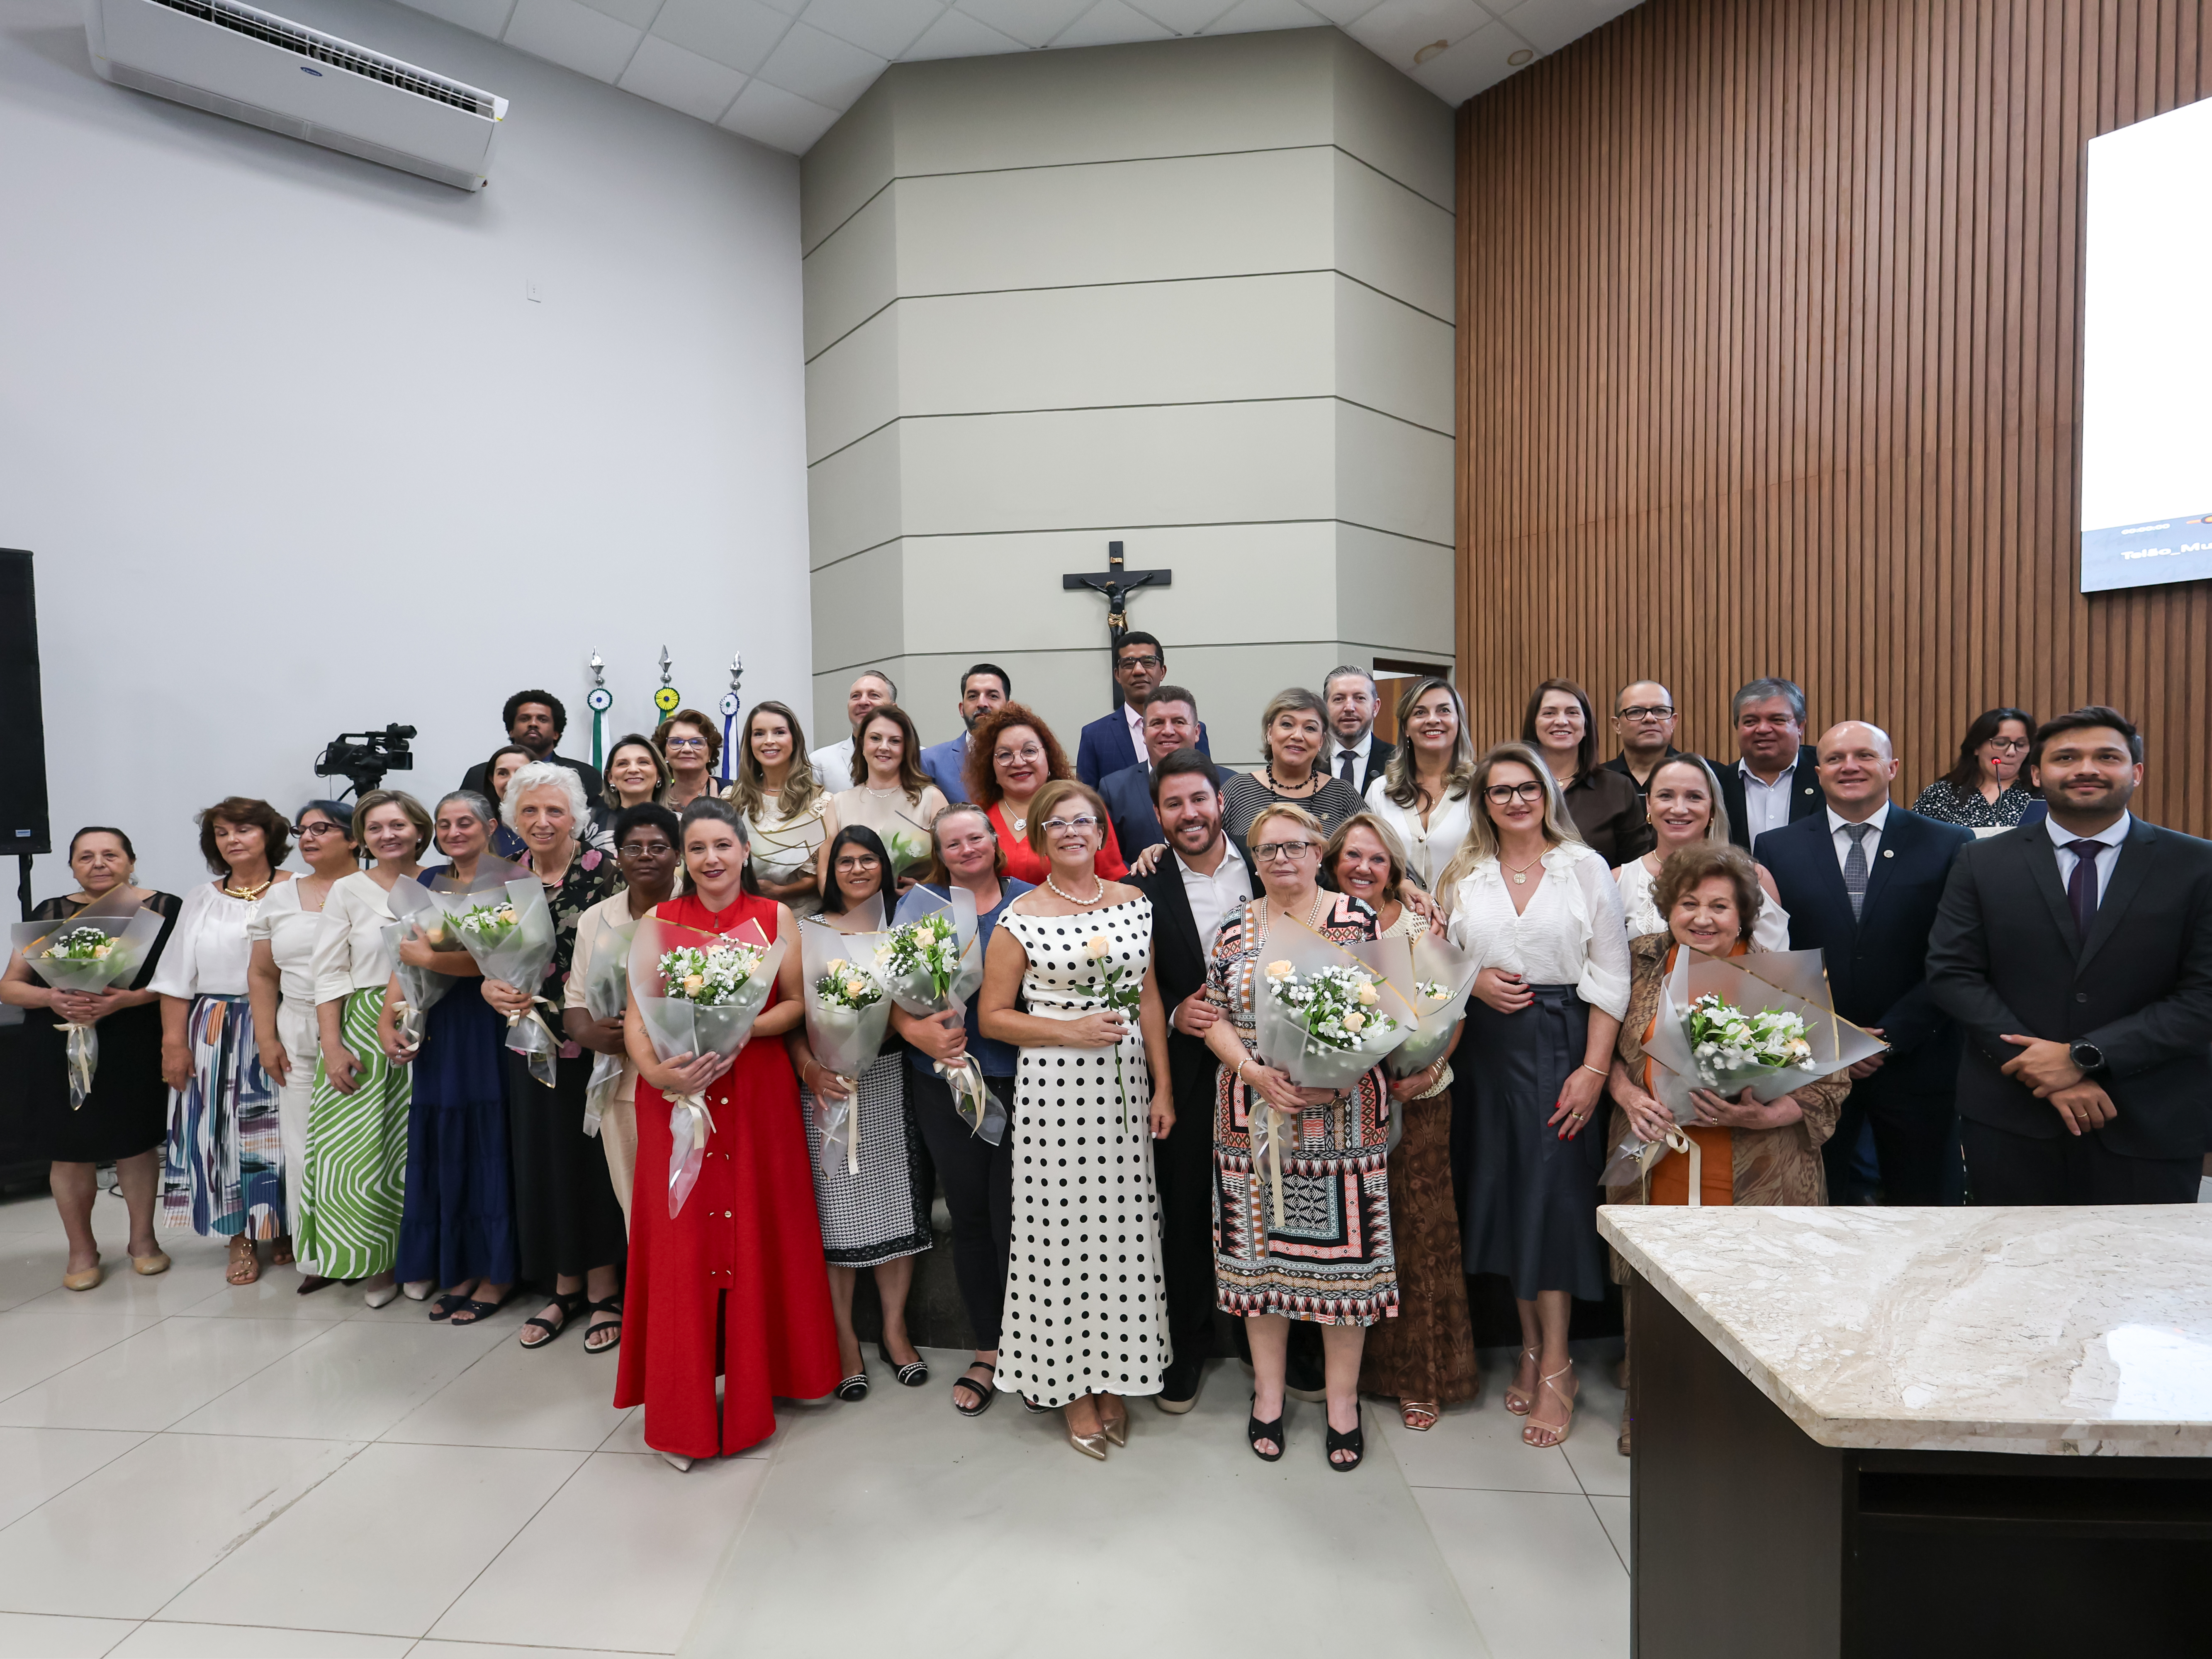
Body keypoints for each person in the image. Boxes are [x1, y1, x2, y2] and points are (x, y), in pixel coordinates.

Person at [1602, 843, 1852, 1453]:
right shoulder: (1640, 963)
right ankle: (1653, 1413)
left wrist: (1771, 1113)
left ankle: (1750, 1423)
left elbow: (1832, 1077)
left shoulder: (1780, 976)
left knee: (1754, 1293)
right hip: (1655, 1156)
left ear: (1744, 914)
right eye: (1689, 904)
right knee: (1655, 1290)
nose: (1703, 918)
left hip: (1758, 1165)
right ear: (1668, 908)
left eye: (1720, 906)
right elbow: (1603, 1050)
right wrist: (1626, 1095)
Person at [618, 797, 840, 1469]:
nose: (710, 859)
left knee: (756, 1228)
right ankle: (682, 1410)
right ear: (685, 859)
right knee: (683, 1242)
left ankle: (764, 1380)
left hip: (756, 1092)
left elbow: (797, 1003)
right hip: (679, 1096)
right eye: (697, 849)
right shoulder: (658, 919)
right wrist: (658, 1074)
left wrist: (739, 1027)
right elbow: (634, 1014)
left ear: (744, 851)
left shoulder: (774, 918)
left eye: (722, 846)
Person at [1928, 707, 2212, 1204]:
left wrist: (2085, 1057)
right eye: (2065, 757)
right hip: (2011, 1120)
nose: (2085, 768)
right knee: (2008, 1274)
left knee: (2139, 1277)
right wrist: (2043, 1070)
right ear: (2036, 775)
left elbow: (2202, 995)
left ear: (2135, 772)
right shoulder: (1980, 860)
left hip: (2148, 1117)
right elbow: (1953, 975)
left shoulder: (2197, 864)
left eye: (2106, 756)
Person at [1440, 744, 1630, 1451]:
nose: (1514, 801)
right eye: (1499, 792)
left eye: (1526, 789)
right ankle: (1524, 1348)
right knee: (1507, 1198)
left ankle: (1557, 1364)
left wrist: (1591, 1068)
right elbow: (1442, 961)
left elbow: (1610, 975)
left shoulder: (1581, 868)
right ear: (1483, 802)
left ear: (1545, 794)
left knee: (1551, 1203)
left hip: (1560, 1045)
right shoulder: (1465, 872)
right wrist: (1472, 979)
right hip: (1487, 1053)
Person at [979, 780, 1175, 1457]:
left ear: (1099, 833)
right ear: (1038, 835)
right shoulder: (1019, 917)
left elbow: (1149, 997)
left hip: (1123, 1098)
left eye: (1082, 822)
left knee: (1121, 1237)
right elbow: (992, 1017)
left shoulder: (1134, 903)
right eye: (1056, 823)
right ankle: (1068, 1387)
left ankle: (1115, 1371)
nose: (1070, 832)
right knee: (1058, 1240)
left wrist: (1163, 1088)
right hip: (1054, 1096)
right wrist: (1068, 1031)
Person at [1200, 801, 1392, 1471]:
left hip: (1340, 1119)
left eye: (1293, 846)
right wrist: (1252, 1069)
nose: (1280, 859)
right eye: (1266, 850)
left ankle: (1341, 1404)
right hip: (1251, 1118)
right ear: (1252, 863)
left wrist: (1340, 1075)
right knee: (1258, 1268)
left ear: (1318, 852)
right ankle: (1268, 1396)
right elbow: (1212, 1017)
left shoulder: (1355, 918)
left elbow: (1384, 1008)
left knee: (1343, 1273)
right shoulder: (1232, 927)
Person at [1756, 721, 1973, 1206]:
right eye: (1834, 758)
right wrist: (1830, 1038)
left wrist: (1891, 1035)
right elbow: (1773, 957)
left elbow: (1956, 953)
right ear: (1817, 771)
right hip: (1812, 1061)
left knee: (1924, 1207)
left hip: (1919, 1057)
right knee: (1821, 1204)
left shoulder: (1948, 843)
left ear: (1891, 767)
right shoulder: (1776, 849)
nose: (1849, 766)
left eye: (1864, 756)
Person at [1328, 813, 1476, 1435]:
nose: (1363, 869)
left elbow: (1452, 1009)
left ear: (1395, 869)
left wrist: (1427, 1067)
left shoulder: (1417, 924)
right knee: (1353, 1242)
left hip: (1414, 1098)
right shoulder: (1316, 923)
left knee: (1418, 1233)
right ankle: (1350, 1378)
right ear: (1333, 863)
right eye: (1352, 858)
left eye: (1376, 859)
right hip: (1336, 1106)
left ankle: (1423, 1377)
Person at [1127, 748, 1254, 1413]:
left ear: (1220, 802)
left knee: (1276, 1204)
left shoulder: (1265, 866)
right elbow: (1131, 983)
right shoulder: (1141, 885)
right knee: (1184, 1208)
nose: (1188, 814)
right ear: (1157, 815)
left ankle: (1299, 1351)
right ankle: (1187, 1346)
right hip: (1186, 1064)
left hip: (1272, 1066)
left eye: (1198, 800)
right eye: (1173, 804)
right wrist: (1177, 1010)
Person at [482, 763, 624, 1352]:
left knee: (591, 1161)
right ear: (516, 819)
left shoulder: (604, 873)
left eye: (555, 811)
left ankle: (604, 1289)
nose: (542, 822)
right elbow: (488, 961)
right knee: (542, 1160)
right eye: (531, 812)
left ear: (576, 818)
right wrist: (491, 988)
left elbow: (624, 954)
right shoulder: (503, 880)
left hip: (591, 1041)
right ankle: (562, 1285)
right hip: (527, 1042)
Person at [789, 825, 933, 1400]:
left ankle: (895, 1331)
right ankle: (844, 1338)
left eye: (866, 859)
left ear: (883, 866)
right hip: (826, 1087)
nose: (855, 869)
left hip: (890, 1081)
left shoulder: (906, 931)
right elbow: (793, 1017)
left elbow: (926, 1000)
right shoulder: (808, 932)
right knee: (836, 1215)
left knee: (896, 1206)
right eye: (844, 861)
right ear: (830, 872)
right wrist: (811, 1072)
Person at [897, 806, 1033, 1416]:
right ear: (940, 852)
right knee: (973, 1218)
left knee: (1022, 1222)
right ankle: (989, 1347)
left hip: (1024, 1083)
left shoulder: (1031, 901)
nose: (967, 849)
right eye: (952, 843)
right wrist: (917, 1033)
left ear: (994, 840)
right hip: (944, 1085)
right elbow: (888, 995)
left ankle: (1034, 1348)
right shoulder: (919, 906)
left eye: (976, 836)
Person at [1, 829, 180, 1291]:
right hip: (57, 1038)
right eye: (86, 856)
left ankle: (143, 1240)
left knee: (135, 1140)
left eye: (109, 854)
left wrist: (127, 1001)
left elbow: (184, 980)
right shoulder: (51, 911)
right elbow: (10, 985)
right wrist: (52, 996)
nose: (98, 863)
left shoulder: (165, 907)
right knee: (68, 1146)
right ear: (73, 866)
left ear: (131, 860)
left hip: (132, 1036)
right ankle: (82, 1249)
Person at [383, 791, 518, 1324]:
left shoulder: (510, 880)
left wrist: (433, 957)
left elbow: (504, 963)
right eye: (445, 824)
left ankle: (498, 1271)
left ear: (490, 826)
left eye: (466, 822)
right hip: (439, 1022)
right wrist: (389, 1015)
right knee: (445, 1143)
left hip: (491, 1020)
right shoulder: (427, 884)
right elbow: (405, 952)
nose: (455, 831)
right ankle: (457, 1263)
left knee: (491, 1143)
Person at [152, 798, 297, 1284]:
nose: (232, 839)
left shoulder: (297, 889)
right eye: (221, 832)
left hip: (282, 1023)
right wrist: (174, 1044)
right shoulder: (200, 898)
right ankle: (241, 1235)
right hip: (214, 1027)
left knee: (281, 1130)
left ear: (269, 835)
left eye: (244, 829)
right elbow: (175, 979)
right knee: (220, 1136)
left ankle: (285, 1224)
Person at [305, 788, 431, 1306]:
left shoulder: (443, 882)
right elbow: (329, 972)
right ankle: (376, 1265)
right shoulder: (347, 890)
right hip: (363, 1024)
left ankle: (422, 1258)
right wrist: (332, 1046)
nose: (388, 835)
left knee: (422, 1148)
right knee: (364, 1153)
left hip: (433, 1015)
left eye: (398, 824)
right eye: (376, 827)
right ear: (362, 838)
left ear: (419, 828)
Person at [246, 800, 357, 1292]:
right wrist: (266, 1037)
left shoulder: (376, 890)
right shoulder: (280, 895)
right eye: (301, 830)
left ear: (355, 838)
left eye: (322, 828)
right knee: (303, 1145)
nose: (308, 837)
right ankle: (319, 1255)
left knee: (361, 1147)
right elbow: (262, 972)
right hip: (294, 1027)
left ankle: (373, 1250)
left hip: (361, 1027)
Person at [565, 802, 681, 1228]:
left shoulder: (699, 911)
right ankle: (652, 1293)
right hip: (620, 1080)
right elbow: (575, 1000)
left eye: (658, 846)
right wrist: (589, 1032)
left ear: (678, 854)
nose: (646, 855)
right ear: (617, 858)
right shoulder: (597, 919)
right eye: (633, 847)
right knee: (637, 1202)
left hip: (686, 1075)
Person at [1615, 754, 1791, 949]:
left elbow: (1774, 966)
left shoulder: (1755, 877)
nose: (1679, 809)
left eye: (1694, 797)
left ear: (1713, 808)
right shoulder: (1618, 882)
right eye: (1666, 796)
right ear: (1649, 803)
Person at [966, 703, 1128, 885]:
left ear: (1048, 757)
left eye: (1029, 751)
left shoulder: (1085, 809)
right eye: (1004, 755)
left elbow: (1113, 880)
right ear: (991, 767)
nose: (1018, 762)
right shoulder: (976, 818)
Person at [816, 703, 947, 897]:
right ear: (861, 745)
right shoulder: (838, 804)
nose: (884, 747)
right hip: (856, 919)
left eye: (895, 741)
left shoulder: (931, 799)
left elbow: (954, 864)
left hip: (920, 918)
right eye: (875, 738)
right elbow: (825, 873)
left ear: (907, 748)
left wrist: (925, 892)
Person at [1220, 688, 1367, 859]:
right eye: (1287, 725)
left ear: (1321, 741)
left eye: (1310, 728)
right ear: (1269, 733)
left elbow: (1375, 852)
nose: (1298, 736)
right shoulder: (1238, 789)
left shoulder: (1342, 794)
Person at [1363, 676, 1476, 893]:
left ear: (1459, 722)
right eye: (1420, 712)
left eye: (1444, 711)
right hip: (1397, 921)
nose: (1433, 720)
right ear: (1406, 727)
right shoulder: (1380, 791)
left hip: (1464, 920)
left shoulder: (1482, 788)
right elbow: (1370, 861)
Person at [1523, 679, 1646, 866]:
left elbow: (1635, 868)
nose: (1562, 721)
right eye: (1549, 713)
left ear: (1586, 726)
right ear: (1534, 724)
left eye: (1572, 713)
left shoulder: (1617, 788)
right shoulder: (1511, 787)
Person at [1097, 686, 1225, 860]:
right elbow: (1109, 859)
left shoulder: (1230, 783)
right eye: (1157, 723)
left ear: (1197, 732)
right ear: (1144, 733)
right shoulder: (1114, 790)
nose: (1168, 731)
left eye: (1179, 722)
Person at [729, 700, 827, 917]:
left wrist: (781, 892)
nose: (769, 741)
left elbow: (822, 876)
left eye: (779, 732)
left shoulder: (821, 803)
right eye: (759, 734)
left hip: (801, 918)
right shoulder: (732, 799)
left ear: (795, 740)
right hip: (741, 914)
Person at [1074, 632, 1212, 787]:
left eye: (1148, 662)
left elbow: (1207, 784)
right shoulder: (1095, 735)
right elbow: (1086, 798)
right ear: (1117, 675)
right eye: (1128, 663)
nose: (1138, 671)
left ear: (1163, 672)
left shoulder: (1190, 730)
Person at [1714, 677, 1823, 851]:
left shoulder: (1828, 773)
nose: (1763, 729)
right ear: (1737, 727)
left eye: (1777, 720)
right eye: (1750, 722)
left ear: (1800, 726)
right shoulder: (1718, 785)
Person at [1912, 707, 2046, 832]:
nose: (2012, 752)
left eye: (2021, 745)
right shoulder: (1939, 795)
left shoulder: (2044, 794)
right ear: (1976, 747)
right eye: (2000, 743)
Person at [461, 689, 604, 801]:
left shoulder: (584, 775)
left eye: (542, 719)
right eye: (525, 719)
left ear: (556, 733)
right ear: (511, 730)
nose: (533, 724)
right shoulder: (479, 776)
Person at [917, 663, 1012, 803]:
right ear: (962, 709)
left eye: (992, 696)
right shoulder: (929, 762)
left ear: (1010, 708)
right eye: (973, 696)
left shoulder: (1025, 760)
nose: (982, 703)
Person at [807, 669, 897, 786]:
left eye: (874, 695)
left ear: (894, 709)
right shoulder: (819, 762)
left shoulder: (919, 758)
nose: (863, 702)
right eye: (856, 696)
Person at [1323, 665, 1396, 795]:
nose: (1349, 708)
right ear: (1325, 708)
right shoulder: (1308, 761)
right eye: (1339, 699)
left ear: (1375, 707)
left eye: (1360, 698)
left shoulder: (1399, 760)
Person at [1600, 681, 1682, 796]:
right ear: (1617, 725)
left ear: (1673, 722)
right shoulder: (1594, 781)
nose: (1650, 718)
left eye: (1660, 711)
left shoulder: (1708, 775)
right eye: (1636, 712)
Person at [591, 733, 672, 850]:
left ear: (659, 774)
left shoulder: (681, 824)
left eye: (643, 762)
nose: (633, 770)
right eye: (623, 764)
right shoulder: (589, 823)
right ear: (610, 778)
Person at [652, 709, 725, 814]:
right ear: (665, 754)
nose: (687, 749)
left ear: (710, 753)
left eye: (696, 742)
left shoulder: (736, 795)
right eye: (677, 742)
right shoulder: (654, 800)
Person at [479, 742, 533, 860]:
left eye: (521, 773)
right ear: (492, 779)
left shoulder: (550, 825)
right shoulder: (480, 829)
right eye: (503, 773)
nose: (512, 780)